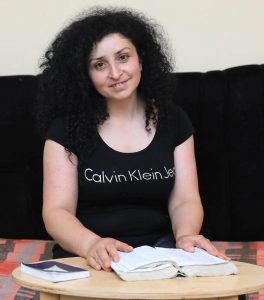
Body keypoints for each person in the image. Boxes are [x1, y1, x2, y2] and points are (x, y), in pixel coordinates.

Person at [37, 6, 228, 272]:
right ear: (85, 75)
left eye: (123, 57)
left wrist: (185, 236)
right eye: (100, 64)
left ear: (141, 58)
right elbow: (57, 212)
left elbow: (185, 199)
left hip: (162, 253)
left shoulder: (174, 120)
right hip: (89, 255)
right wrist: (91, 244)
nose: (115, 73)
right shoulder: (65, 130)